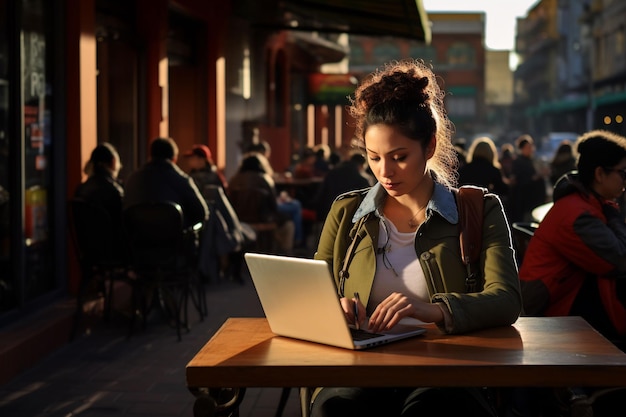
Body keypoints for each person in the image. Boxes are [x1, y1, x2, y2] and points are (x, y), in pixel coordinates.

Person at [310, 59, 521, 417]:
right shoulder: (346, 213)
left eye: (399, 157)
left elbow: (506, 299)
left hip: (446, 369)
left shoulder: (479, 210)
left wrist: (436, 310)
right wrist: (335, 307)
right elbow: (312, 294)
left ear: (429, 146)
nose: (385, 172)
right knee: (337, 409)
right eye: (374, 158)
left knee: (430, 410)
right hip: (361, 366)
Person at [519, 130, 626, 346]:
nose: (625, 179)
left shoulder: (585, 204)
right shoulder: (577, 215)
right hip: (554, 322)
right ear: (599, 174)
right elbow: (619, 259)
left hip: (565, 311)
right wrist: (614, 215)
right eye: (623, 172)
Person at [123, 137, 208, 230]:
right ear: (174, 159)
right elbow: (202, 213)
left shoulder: (132, 179)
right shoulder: (181, 180)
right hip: (174, 242)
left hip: (137, 241)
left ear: (150, 156)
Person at [74, 142, 126, 259]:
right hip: (113, 252)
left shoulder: (81, 189)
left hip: (87, 251)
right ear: (113, 162)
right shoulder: (114, 191)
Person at [314, 152, 374, 220]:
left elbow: (321, 195)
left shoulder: (332, 173)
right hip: (349, 216)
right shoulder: (361, 180)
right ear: (362, 166)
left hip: (328, 212)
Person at [508, 134, 548, 223]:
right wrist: (536, 176)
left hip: (535, 198)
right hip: (524, 199)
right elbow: (521, 180)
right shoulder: (518, 162)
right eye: (528, 147)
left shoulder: (533, 160)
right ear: (522, 148)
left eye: (531, 146)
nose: (530, 149)